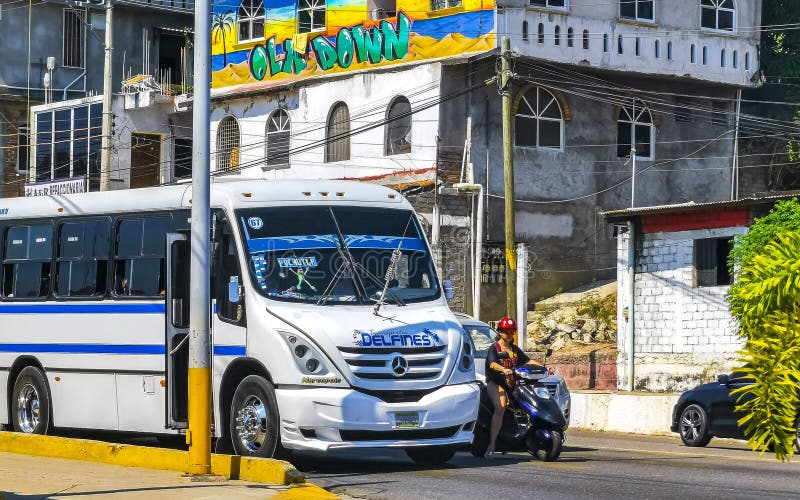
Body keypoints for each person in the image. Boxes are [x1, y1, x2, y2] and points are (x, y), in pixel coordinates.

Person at [483, 316, 538, 458]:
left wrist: (543, 368)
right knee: (500, 408)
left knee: (530, 404)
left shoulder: (514, 349)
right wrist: (503, 369)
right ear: (500, 332)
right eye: (507, 331)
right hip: (496, 383)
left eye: (512, 331)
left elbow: (528, 360)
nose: (510, 334)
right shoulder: (494, 348)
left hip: (513, 384)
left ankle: (530, 438)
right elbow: (492, 364)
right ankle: (492, 444)